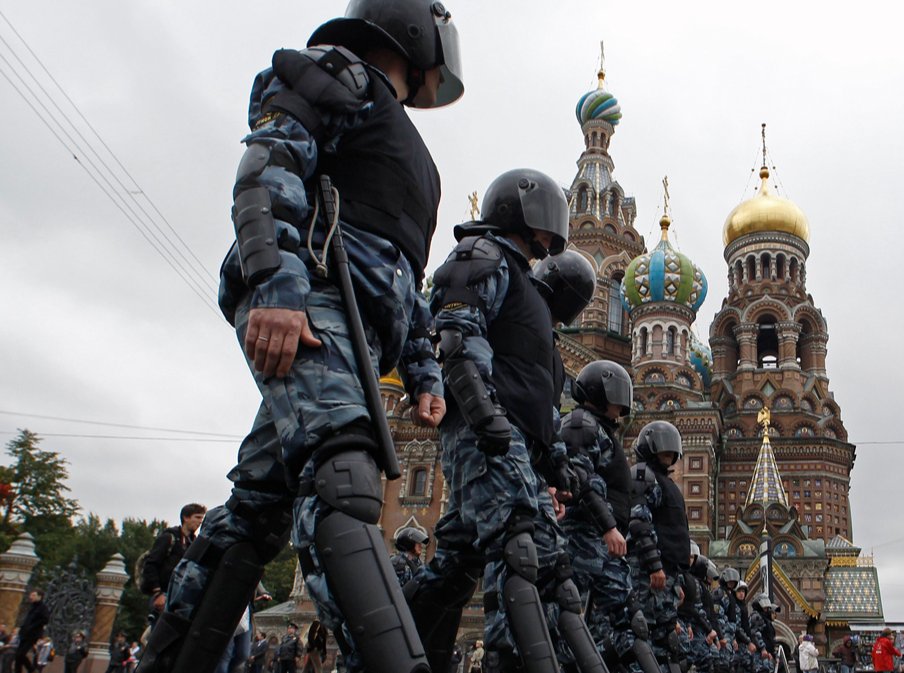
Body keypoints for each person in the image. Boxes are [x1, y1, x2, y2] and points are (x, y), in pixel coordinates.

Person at [137, 2, 463, 673]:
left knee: (255, 511)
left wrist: (423, 370)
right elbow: (268, 171)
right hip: (311, 303)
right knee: (345, 474)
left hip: (360, 338)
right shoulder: (336, 75)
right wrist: (276, 290)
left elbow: (404, 276)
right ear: (416, 32)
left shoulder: (415, 154)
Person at [404, 168, 577, 673]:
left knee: (459, 563)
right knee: (522, 546)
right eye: (544, 218)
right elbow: (456, 337)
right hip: (488, 434)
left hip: (509, 437)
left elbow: (538, 394)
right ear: (518, 213)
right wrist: (484, 414)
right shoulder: (482, 255)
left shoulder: (523, 282)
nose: (550, 234)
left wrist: (552, 464)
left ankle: (397, 648)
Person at [557, 358, 636, 670]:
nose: (621, 406)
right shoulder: (581, 424)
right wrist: (607, 526)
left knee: (628, 619)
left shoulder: (600, 430)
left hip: (604, 543)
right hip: (583, 538)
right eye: (617, 395)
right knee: (567, 612)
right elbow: (581, 480)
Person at [629, 421, 692, 671]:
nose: (668, 453)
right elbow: (639, 523)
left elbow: (674, 534)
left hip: (667, 576)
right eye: (663, 448)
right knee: (643, 633)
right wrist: (654, 566)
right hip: (649, 575)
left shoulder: (666, 483)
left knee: (665, 641)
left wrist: (677, 581)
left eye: (671, 449)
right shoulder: (645, 476)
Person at [141, 504, 206, 620]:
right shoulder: (169, 538)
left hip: (181, 597)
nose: (200, 521)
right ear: (186, 518)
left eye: (202, 518)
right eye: (197, 517)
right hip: (164, 594)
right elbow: (151, 565)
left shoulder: (193, 543)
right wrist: (157, 593)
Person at [13, 590, 49, 673]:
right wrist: (22, 628)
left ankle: (32, 670)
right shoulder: (32, 607)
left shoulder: (43, 608)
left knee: (21, 654)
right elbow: (27, 620)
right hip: (24, 634)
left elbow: (45, 620)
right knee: (17, 656)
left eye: (33, 595)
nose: (31, 597)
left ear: (39, 597)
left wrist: (32, 626)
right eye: (31, 595)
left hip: (32, 635)